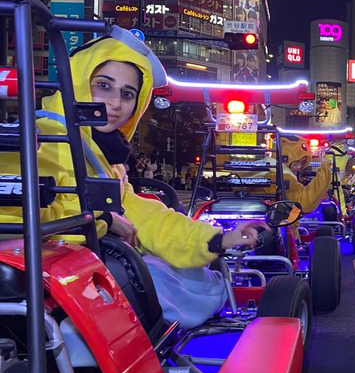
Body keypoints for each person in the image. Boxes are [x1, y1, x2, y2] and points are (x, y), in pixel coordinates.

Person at [0, 27, 263, 329]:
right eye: (103, 85)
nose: (114, 103)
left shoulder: (101, 157)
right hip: (47, 287)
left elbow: (150, 219)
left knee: (180, 272)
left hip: (71, 283)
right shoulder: (40, 138)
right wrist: (101, 219)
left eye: (127, 94)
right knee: (153, 275)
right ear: (77, 82)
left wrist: (219, 239)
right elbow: (15, 216)